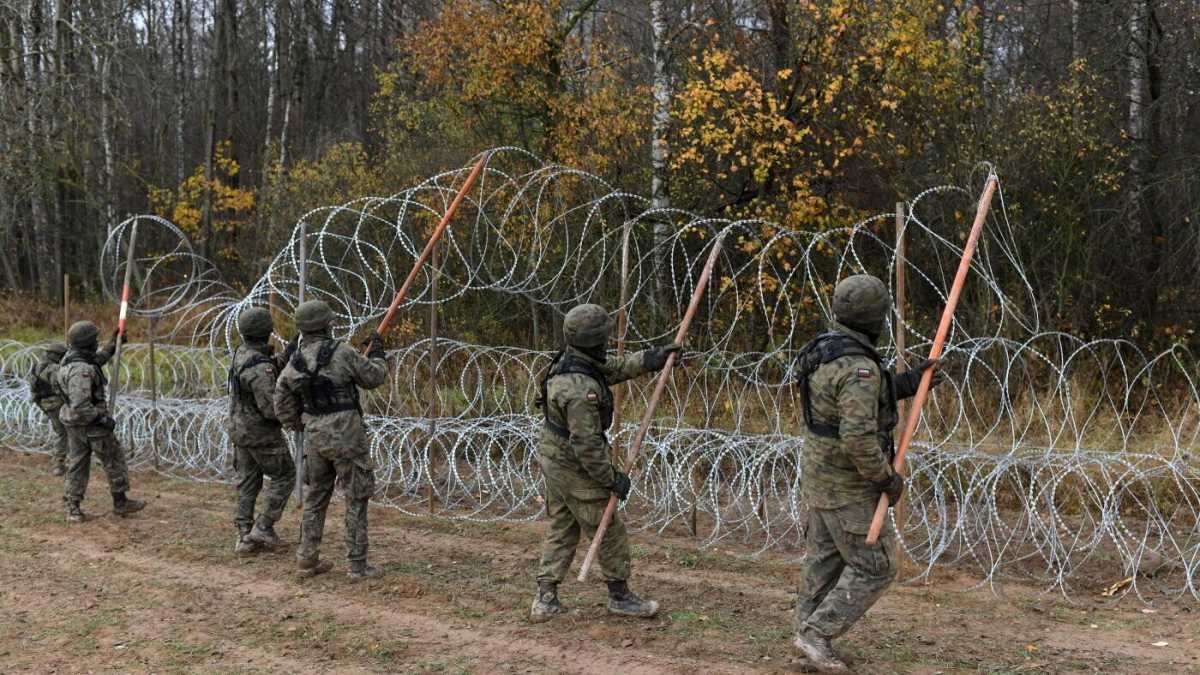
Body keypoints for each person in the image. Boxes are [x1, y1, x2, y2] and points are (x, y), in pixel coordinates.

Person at [791, 274, 944, 672]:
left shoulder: (824, 350)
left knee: (824, 559)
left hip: (820, 474)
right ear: (877, 318)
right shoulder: (860, 366)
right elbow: (858, 436)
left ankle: (805, 632)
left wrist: (905, 383)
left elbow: (840, 402)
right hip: (848, 482)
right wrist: (885, 479)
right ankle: (817, 633)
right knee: (876, 565)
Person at [529, 303, 680, 623]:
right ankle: (619, 596)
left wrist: (651, 359)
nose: (607, 344)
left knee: (563, 524)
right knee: (606, 526)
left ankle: (545, 598)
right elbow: (586, 445)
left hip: (556, 456)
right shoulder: (580, 391)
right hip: (572, 462)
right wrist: (610, 478)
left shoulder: (574, 363)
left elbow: (612, 369)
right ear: (595, 341)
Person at [274, 300, 389, 581]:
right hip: (348, 436)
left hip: (315, 438)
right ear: (327, 324)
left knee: (315, 499)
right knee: (356, 497)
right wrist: (378, 354)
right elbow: (374, 377)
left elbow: (282, 401)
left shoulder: (295, 361)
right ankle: (357, 565)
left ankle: (306, 560)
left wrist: (298, 424)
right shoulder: (342, 352)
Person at [56, 321, 145, 522]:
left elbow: (97, 360)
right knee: (113, 459)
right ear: (87, 343)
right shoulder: (81, 370)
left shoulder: (71, 360)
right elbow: (80, 405)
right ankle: (120, 502)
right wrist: (102, 419)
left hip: (74, 425)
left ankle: (73, 507)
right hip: (91, 426)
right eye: (94, 340)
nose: (97, 342)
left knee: (77, 464)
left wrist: (114, 344)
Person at [228, 306, 297, 555]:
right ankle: (263, 527)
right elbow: (271, 408)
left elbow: (264, 366)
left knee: (248, 482)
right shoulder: (260, 368)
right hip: (260, 433)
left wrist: (286, 355)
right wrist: (296, 416)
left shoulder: (243, 353)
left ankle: (244, 537)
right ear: (267, 331)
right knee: (285, 475)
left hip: (240, 429)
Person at [30, 342, 70, 475]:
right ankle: (58, 464)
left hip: (47, 403)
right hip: (54, 403)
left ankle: (62, 462)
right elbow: (60, 382)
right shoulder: (49, 368)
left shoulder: (40, 364)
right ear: (55, 355)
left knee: (63, 431)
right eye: (61, 356)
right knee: (64, 432)